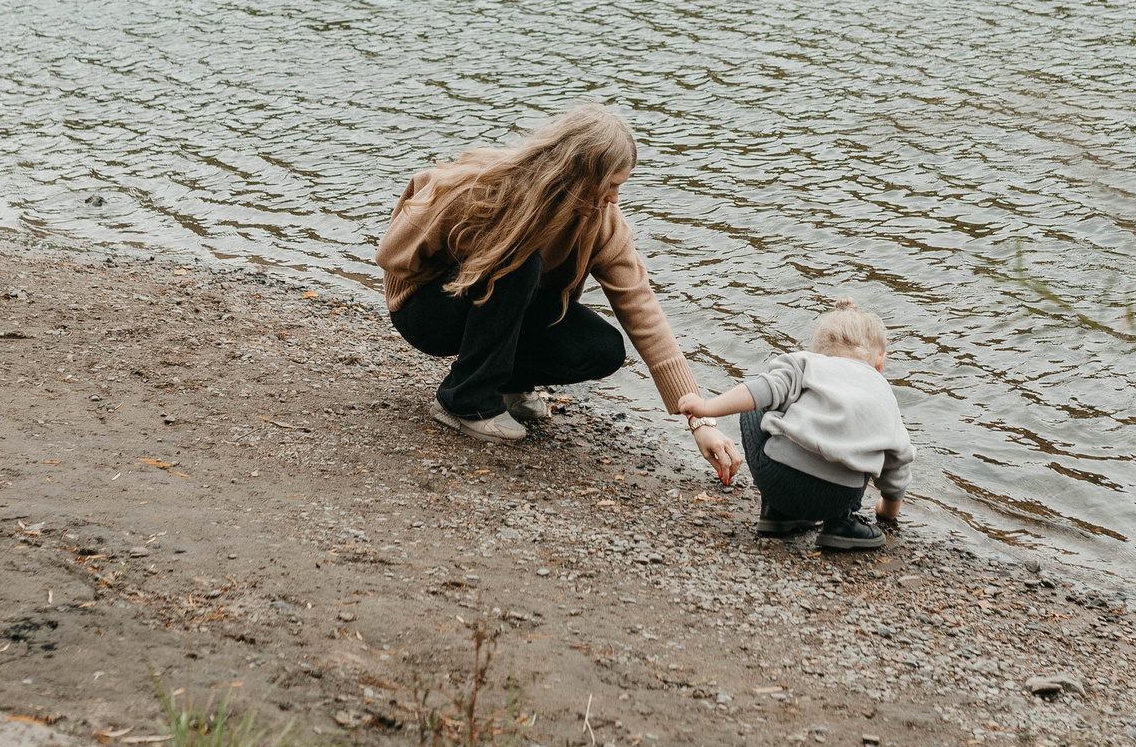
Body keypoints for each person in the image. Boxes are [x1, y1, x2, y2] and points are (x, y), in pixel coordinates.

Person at [377, 105, 747, 485]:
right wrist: (467, 261)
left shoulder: (602, 223)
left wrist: (699, 417)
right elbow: (391, 254)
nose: (616, 198)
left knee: (602, 348)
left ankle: (505, 386)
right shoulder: (485, 186)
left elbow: (643, 310)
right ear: (577, 174)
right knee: (519, 260)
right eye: (611, 185)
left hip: (495, 308)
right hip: (426, 310)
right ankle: (465, 400)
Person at [679, 301, 912, 552]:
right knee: (865, 435)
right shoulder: (885, 394)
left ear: (820, 349)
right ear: (881, 361)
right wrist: (887, 511)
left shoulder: (807, 362)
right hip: (839, 498)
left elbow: (761, 391)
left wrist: (706, 406)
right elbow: (897, 460)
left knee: (760, 403)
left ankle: (776, 513)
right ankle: (841, 524)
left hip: (779, 482)